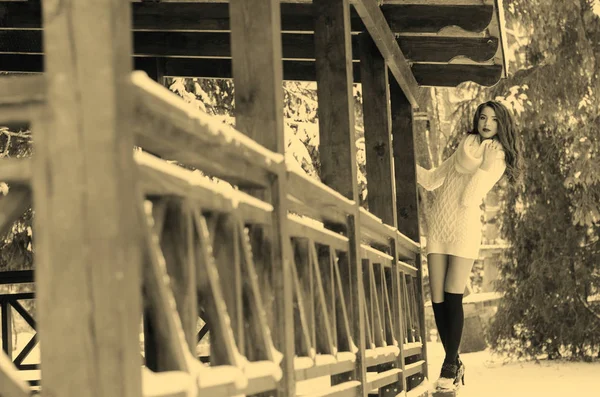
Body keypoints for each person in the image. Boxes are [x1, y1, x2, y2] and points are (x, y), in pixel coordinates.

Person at [416, 100, 522, 391]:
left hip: (464, 227)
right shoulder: (466, 144)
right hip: (439, 224)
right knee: (436, 297)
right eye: (482, 117)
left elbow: (470, 197)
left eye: (493, 120)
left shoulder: (497, 154)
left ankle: (449, 365)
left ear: (502, 125)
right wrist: (402, 161)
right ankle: (456, 362)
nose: (486, 123)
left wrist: (485, 167)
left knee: (453, 294)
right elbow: (431, 180)